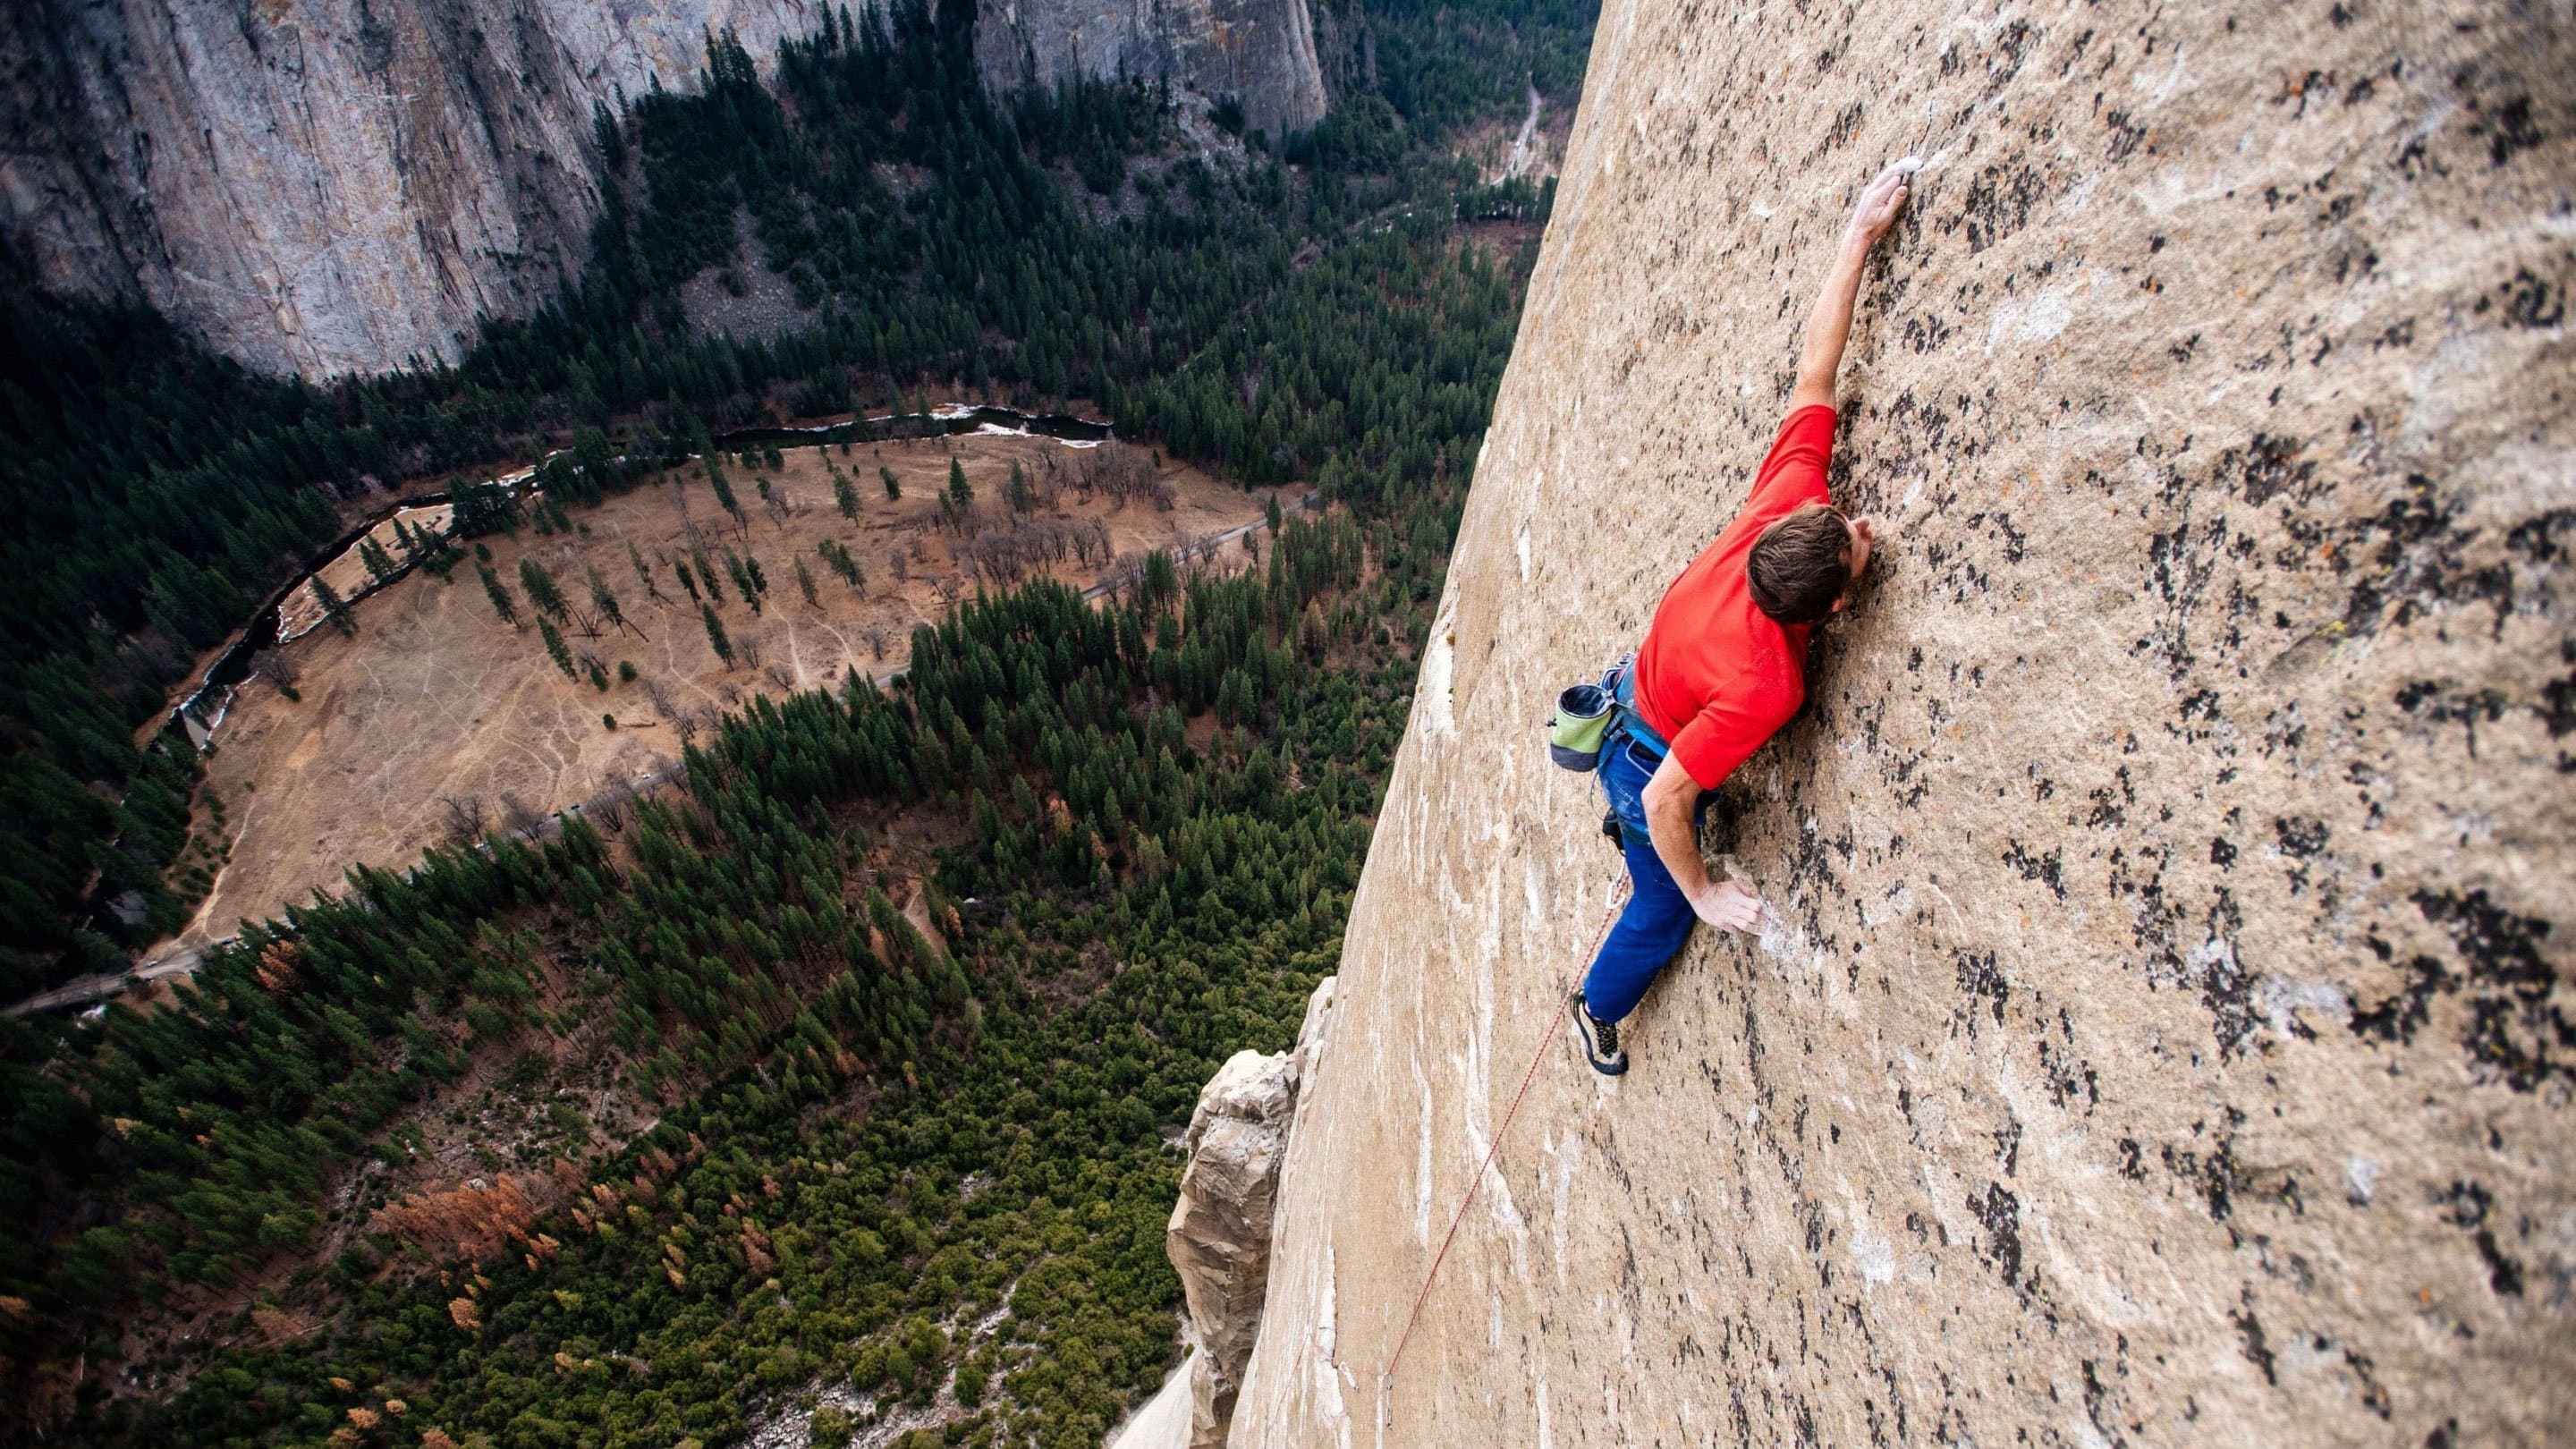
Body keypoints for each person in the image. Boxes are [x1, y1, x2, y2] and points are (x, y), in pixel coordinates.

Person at [1571, 161, 1911, 1077]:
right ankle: (1595, 1008)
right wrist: (1704, 891)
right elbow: (1666, 797)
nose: (1862, 527)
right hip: (1643, 760)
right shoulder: (1769, 683)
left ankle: (1640, 850)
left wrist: (1857, 239)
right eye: (1854, 544)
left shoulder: (1789, 500)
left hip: (1644, 693)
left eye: (1845, 525)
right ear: (1831, 609)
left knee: (1673, 805)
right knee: (1660, 908)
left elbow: (1816, 369)